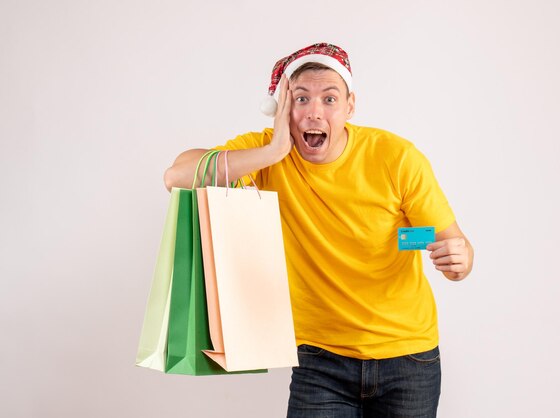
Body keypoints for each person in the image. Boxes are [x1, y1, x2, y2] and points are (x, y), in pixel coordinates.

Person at [164, 42, 474, 418]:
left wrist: (459, 258)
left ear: (350, 106)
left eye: (329, 99)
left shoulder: (396, 157)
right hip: (320, 362)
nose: (314, 112)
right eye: (300, 99)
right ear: (281, 108)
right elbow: (177, 176)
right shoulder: (267, 155)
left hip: (408, 358)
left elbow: (450, 243)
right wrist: (273, 151)